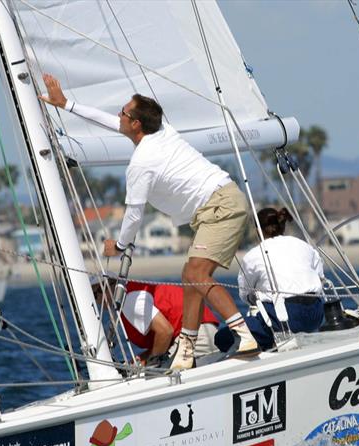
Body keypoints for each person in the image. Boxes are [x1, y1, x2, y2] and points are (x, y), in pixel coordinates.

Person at [40, 74, 258, 372]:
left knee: (196, 271)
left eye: (124, 113)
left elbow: (133, 215)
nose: (119, 116)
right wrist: (66, 104)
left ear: (136, 124)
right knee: (189, 275)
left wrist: (118, 245)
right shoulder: (162, 131)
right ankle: (187, 348)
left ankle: (244, 335)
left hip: (220, 205)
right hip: (216, 206)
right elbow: (107, 121)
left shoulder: (141, 163)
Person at [214, 208, 325, 352]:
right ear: (282, 225)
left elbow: (246, 295)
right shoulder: (303, 245)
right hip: (316, 314)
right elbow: (320, 276)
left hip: (284, 319)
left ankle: (266, 346)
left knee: (222, 337)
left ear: (257, 229)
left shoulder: (253, 256)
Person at [92, 278, 219, 365]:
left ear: (110, 286)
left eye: (95, 293)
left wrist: (152, 362)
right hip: (200, 334)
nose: (96, 299)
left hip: (198, 336)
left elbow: (165, 331)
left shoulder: (130, 301)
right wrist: (145, 358)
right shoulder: (131, 294)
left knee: (155, 373)